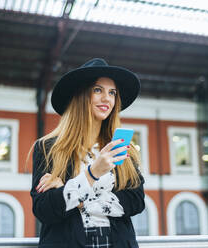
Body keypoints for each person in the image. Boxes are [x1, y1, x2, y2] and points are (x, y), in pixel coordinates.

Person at [30, 58, 145, 248]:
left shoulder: (123, 148)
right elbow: (44, 210)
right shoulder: (47, 148)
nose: (107, 98)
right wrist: (93, 174)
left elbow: (136, 202)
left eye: (112, 92)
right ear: (81, 95)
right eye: (98, 90)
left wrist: (72, 192)